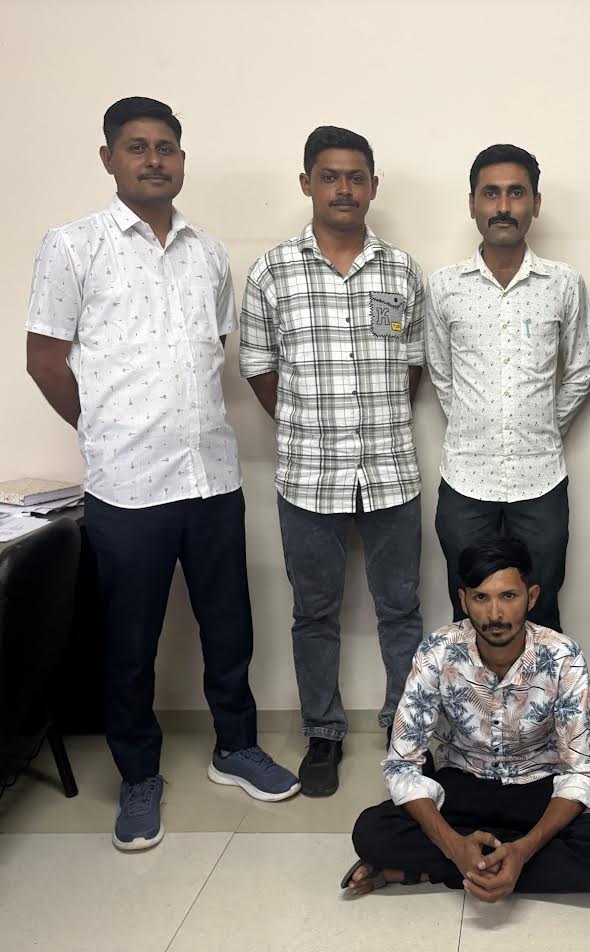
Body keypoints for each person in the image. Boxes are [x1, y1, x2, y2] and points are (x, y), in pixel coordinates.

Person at [25, 96, 299, 852]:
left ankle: (236, 746)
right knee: (129, 642)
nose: (154, 160)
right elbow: (44, 359)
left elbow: (214, 349)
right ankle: (138, 774)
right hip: (128, 485)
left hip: (210, 475)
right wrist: (101, 429)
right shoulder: (72, 245)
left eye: (167, 147)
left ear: (181, 159)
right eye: (137, 146)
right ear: (108, 158)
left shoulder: (208, 251)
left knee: (230, 626)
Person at [239, 126, 425, 798]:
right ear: (306, 183)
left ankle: (407, 730)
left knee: (400, 610)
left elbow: (410, 365)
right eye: (329, 176)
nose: (343, 189)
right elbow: (259, 368)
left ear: (372, 185)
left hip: (390, 474)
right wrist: (306, 424)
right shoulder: (272, 272)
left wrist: (373, 421)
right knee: (314, 613)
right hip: (308, 478)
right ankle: (323, 731)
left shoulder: (401, 272)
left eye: (355, 177)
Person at [345, 537, 590, 905]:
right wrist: (454, 846)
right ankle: (505, 863)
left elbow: (583, 772)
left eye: (508, 596)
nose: (495, 614)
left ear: (531, 597)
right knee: (371, 832)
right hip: (463, 780)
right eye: (481, 597)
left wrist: (523, 851)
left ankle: (416, 872)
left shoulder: (563, 656)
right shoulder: (438, 651)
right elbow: (403, 764)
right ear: (464, 600)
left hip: (537, 783)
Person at [425, 144, 590, 633]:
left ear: (535, 203)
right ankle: (471, 689)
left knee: (540, 609)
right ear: (472, 203)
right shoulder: (444, 286)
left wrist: (540, 426)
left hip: (541, 478)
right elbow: (441, 372)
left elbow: (580, 369)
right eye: (491, 193)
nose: (503, 206)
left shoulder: (563, 283)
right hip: (466, 478)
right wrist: (478, 423)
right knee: (470, 613)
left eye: (516, 193)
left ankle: (540, 689)